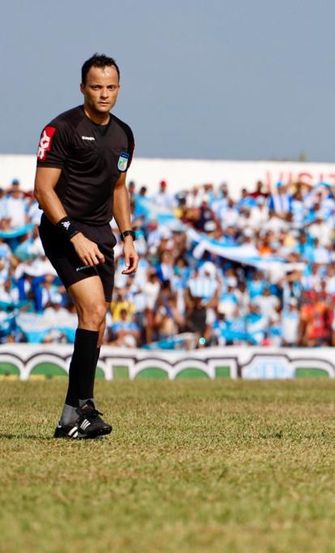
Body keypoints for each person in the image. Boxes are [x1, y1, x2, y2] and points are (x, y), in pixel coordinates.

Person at [33, 53, 137, 439]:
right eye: (96, 87)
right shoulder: (61, 129)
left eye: (110, 87)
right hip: (63, 232)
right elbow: (42, 190)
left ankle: (68, 418)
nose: (104, 94)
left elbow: (118, 188)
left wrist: (128, 236)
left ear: (119, 89)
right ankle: (86, 409)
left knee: (97, 322)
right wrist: (73, 235)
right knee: (92, 309)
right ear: (82, 88)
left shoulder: (124, 134)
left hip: (101, 235)